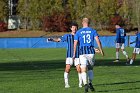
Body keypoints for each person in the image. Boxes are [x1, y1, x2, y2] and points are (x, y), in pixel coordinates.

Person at [73, 18, 104, 93]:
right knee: (90, 69)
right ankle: (90, 82)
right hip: (91, 53)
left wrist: (74, 53)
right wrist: (101, 50)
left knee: (83, 69)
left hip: (82, 53)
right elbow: (98, 40)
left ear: (82, 23)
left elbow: (75, 43)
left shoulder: (78, 32)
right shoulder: (93, 31)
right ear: (88, 23)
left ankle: (85, 84)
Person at [48, 22, 82, 88]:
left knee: (79, 69)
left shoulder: (79, 36)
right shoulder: (67, 36)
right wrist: (51, 39)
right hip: (69, 55)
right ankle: (66, 84)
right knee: (67, 69)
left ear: (77, 28)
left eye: (75, 27)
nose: (74, 28)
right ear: (71, 28)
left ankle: (80, 84)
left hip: (78, 55)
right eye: (73, 27)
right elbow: (58, 40)